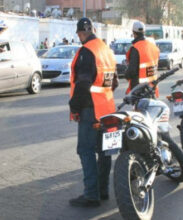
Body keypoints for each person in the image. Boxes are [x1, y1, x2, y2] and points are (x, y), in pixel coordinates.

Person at [68, 17, 118, 207]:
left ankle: (91, 194)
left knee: (85, 150)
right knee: (104, 151)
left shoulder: (86, 51)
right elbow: (114, 82)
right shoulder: (106, 50)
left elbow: (83, 84)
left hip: (91, 110)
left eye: (80, 34)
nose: (80, 37)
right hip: (107, 108)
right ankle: (103, 190)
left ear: (82, 32)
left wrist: (74, 106)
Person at [124, 20, 160, 97]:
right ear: (144, 32)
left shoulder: (136, 48)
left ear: (133, 32)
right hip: (152, 87)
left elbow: (131, 70)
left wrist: (126, 74)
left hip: (139, 89)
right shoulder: (154, 47)